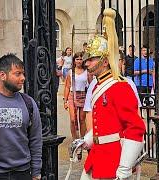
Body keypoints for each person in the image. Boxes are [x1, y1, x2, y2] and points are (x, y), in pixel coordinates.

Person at [78, 8, 146, 179]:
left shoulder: (120, 87)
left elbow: (135, 129)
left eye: (92, 59)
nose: (87, 63)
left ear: (105, 62)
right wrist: (86, 140)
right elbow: (102, 126)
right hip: (98, 156)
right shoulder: (96, 86)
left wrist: (124, 167)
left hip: (114, 160)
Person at [63, 52, 89, 139]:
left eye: (80, 59)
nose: (79, 61)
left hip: (83, 95)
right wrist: (65, 100)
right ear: (74, 61)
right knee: (73, 119)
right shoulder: (71, 72)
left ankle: (82, 138)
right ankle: (75, 138)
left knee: (82, 119)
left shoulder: (87, 72)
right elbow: (67, 86)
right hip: (72, 95)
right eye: (77, 59)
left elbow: (91, 86)